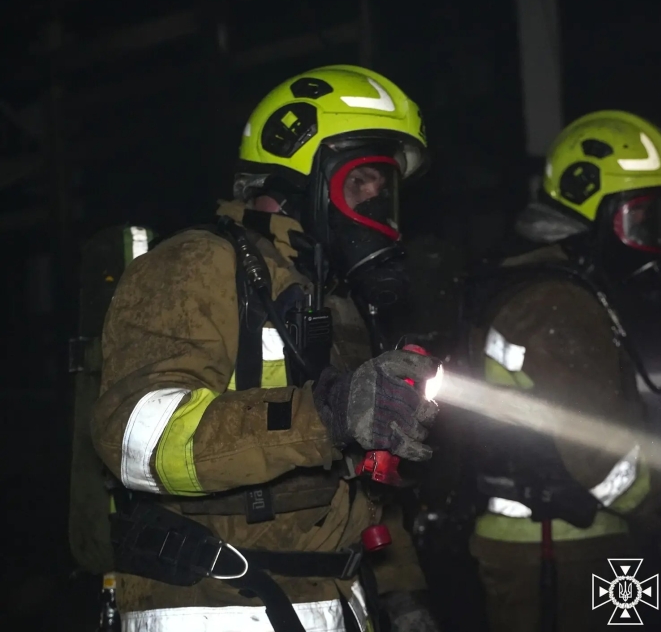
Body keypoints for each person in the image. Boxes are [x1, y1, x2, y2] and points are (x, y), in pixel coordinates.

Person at [92, 65, 442, 632]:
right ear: (301, 175)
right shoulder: (197, 264)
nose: (377, 201)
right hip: (213, 607)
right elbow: (134, 438)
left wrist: (403, 591)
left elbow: (367, 477)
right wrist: (323, 416)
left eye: (387, 187)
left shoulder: (337, 300)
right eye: (362, 180)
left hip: (334, 600)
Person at [460, 110, 661, 631]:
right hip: (559, 550)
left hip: (552, 544)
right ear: (593, 207)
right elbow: (599, 452)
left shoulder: (541, 285)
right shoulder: (556, 300)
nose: (650, 240)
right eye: (639, 220)